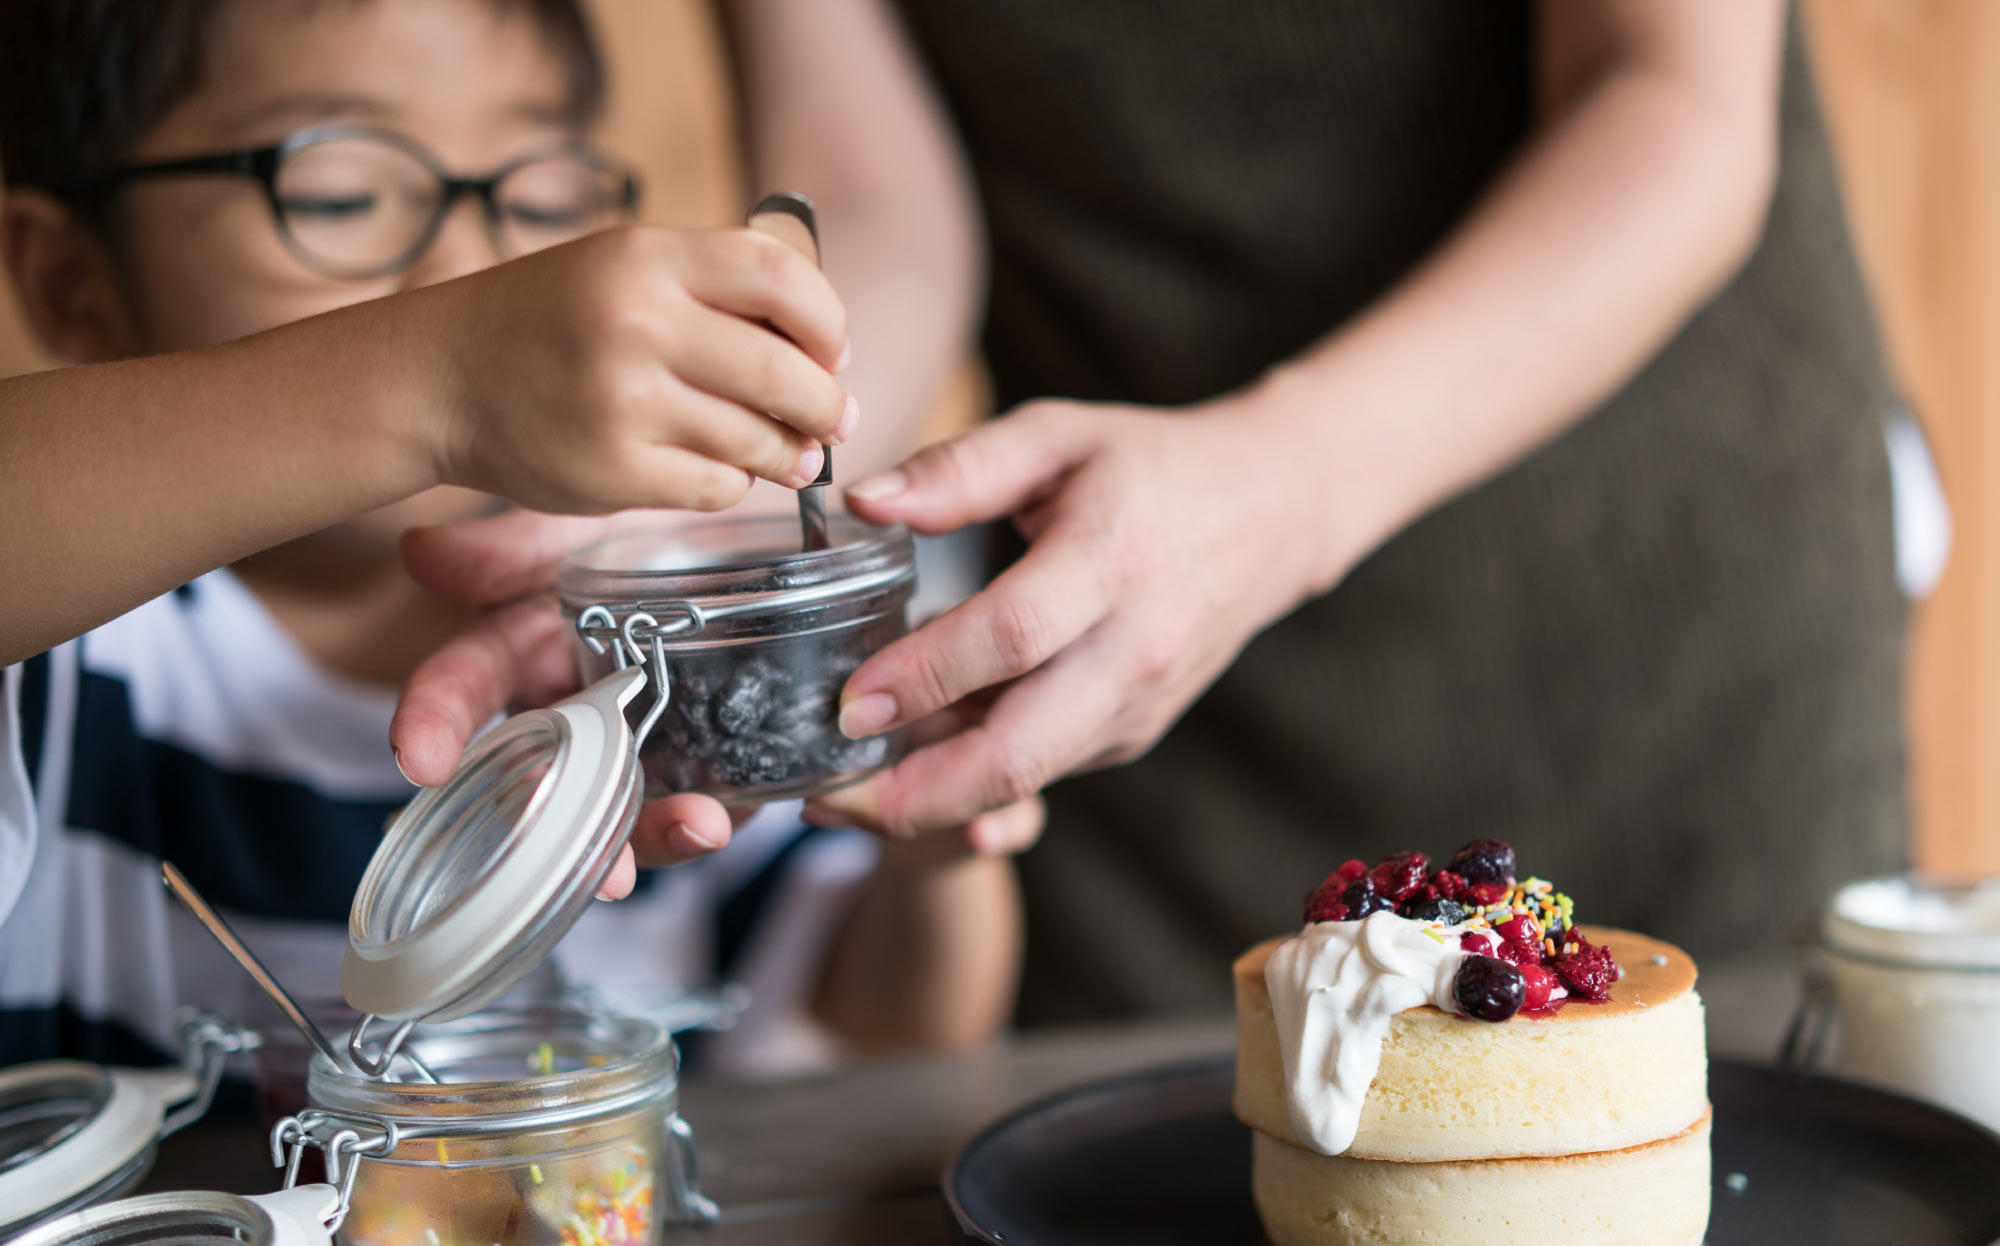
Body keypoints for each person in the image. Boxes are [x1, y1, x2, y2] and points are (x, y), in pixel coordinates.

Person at [395, 0, 1905, 1023]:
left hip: (1652, 601)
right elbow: (875, 183)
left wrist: (1283, 485)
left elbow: (1677, 104)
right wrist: (726, 525)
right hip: (1140, 660)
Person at [0, 0, 1021, 1072]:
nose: (471, 271)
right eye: (339, 193)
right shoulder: (70, 651)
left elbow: (885, 1029)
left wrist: (936, 842)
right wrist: (432, 379)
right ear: (74, 284)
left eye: (539, 192)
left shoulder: (655, 649)